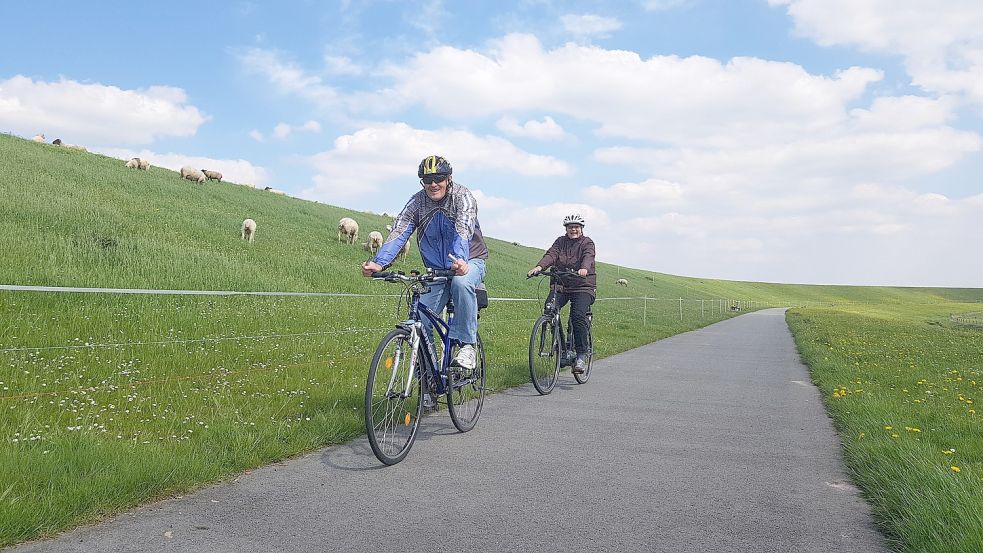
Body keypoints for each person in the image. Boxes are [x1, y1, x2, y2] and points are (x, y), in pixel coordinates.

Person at [362, 155, 488, 370]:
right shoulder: (417, 201)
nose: (432, 184)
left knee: (461, 283)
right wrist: (379, 263)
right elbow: (400, 230)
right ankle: (429, 381)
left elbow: (463, 228)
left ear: (449, 178)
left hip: (469, 260)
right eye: (426, 180)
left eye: (438, 178)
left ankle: (468, 346)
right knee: (420, 321)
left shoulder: (462, 196)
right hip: (437, 269)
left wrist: (459, 259)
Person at [527, 214, 596, 374]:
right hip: (561, 284)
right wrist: (539, 267)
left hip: (583, 286)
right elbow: (551, 255)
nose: (573, 229)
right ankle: (562, 349)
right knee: (550, 309)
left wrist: (584, 268)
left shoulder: (587, 242)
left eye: (576, 227)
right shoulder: (560, 241)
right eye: (570, 227)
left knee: (577, 316)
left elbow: (588, 256)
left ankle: (580, 355)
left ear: (581, 229)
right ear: (566, 229)